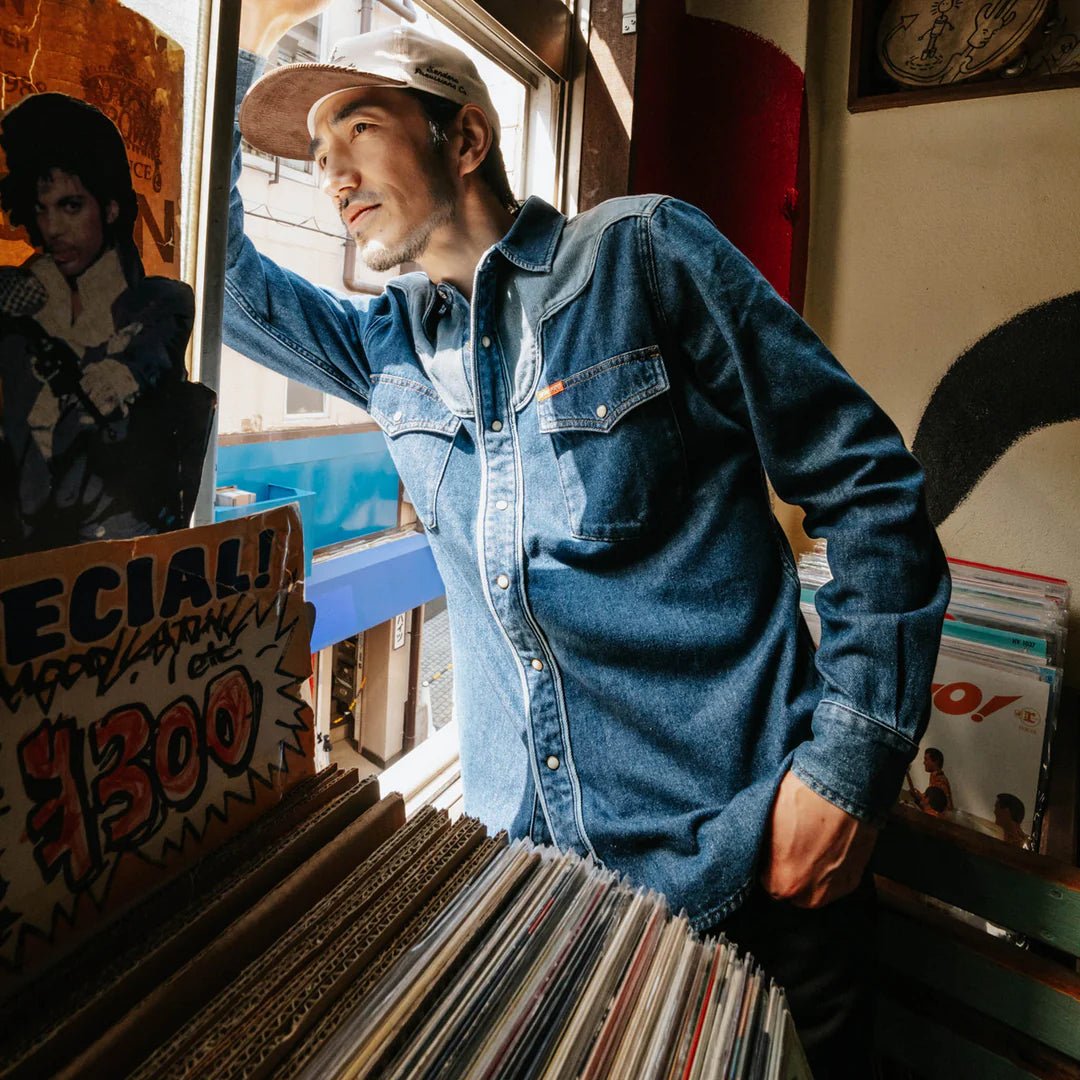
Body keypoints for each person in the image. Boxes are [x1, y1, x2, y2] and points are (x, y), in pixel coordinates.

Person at [226, 4, 951, 1073]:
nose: (332, 173)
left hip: (752, 877)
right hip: (550, 906)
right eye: (318, 150)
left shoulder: (644, 255)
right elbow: (222, 271)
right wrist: (243, 41)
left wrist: (848, 769)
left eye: (359, 128)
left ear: (464, 138)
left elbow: (871, 487)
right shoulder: (384, 347)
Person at [0, 92, 197, 555]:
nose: (53, 228)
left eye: (70, 206)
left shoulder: (159, 304)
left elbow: (146, 357)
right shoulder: (17, 303)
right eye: (41, 208)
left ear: (109, 207)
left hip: (119, 562)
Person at [908, 746, 954, 812]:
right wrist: (919, 796)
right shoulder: (935, 777)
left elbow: (934, 808)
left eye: (926, 759)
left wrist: (919, 798)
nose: (924, 762)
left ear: (935, 762)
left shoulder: (940, 781)